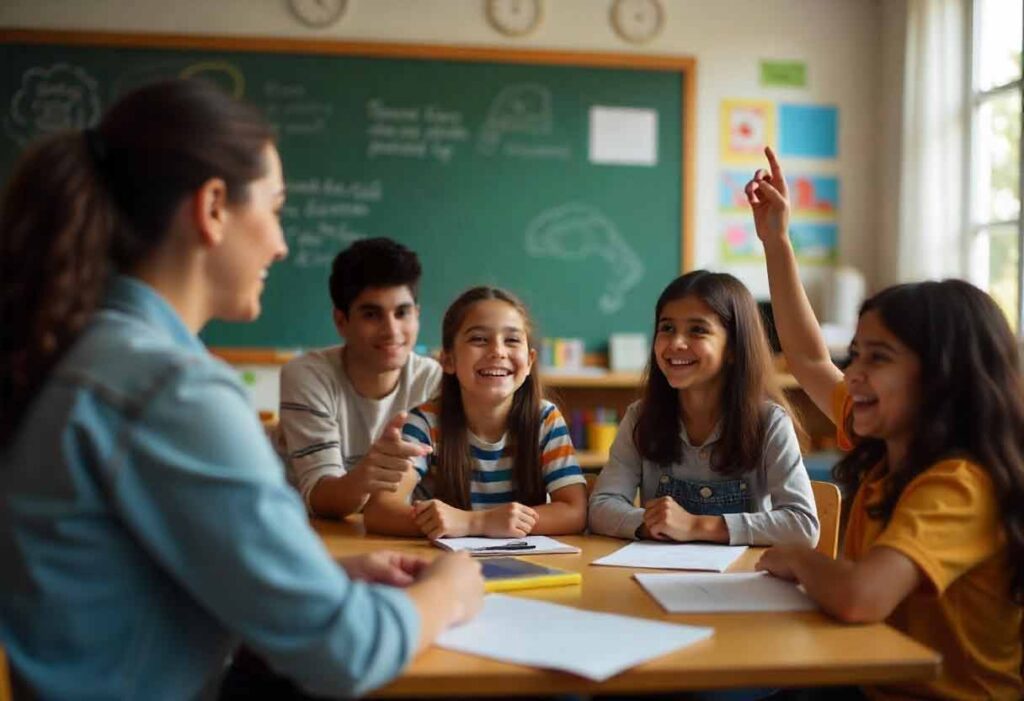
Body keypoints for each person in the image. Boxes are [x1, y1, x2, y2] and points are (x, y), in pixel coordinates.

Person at [0, 79, 483, 700]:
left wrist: (318, 575)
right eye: (276, 208)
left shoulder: (81, 349)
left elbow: (134, 571)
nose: (282, 245)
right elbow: (347, 651)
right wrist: (448, 591)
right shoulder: (171, 388)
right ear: (213, 208)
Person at [748, 146, 1024, 699]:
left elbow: (860, 598)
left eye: (879, 358)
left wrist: (801, 558)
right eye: (857, 355)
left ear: (942, 377)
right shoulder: (889, 440)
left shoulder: (957, 486)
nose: (854, 374)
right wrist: (777, 242)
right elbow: (807, 360)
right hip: (873, 678)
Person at [589, 270, 819, 547]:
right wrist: (652, 525)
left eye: (698, 330)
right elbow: (601, 506)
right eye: (667, 328)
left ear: (734, 347)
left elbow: (803, 525)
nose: (675, 343)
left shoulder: (769, 422)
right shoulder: (641, 417)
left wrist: (697, 526)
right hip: (656, 573)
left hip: (740, 580)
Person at [363, 286, 587, 538]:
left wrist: (480, 523)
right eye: (479, 339)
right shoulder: (424, 423)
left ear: (530, 362)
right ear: (448, 360)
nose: (498, 351)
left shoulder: (544, 419)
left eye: (512, 340)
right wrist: (477, 524)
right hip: (445, 564)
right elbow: (379, 511)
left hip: (525, 563)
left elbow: (574, 511)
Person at [277, 237, 441, 518]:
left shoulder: (434, 381)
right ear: (341, 321)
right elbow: (320, 498)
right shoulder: (308, 377)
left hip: (394, 533)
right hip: (316, 535)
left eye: (402, 313)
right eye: (371, 315)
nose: (392, 331)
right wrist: (367, 475)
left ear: (417, 315)